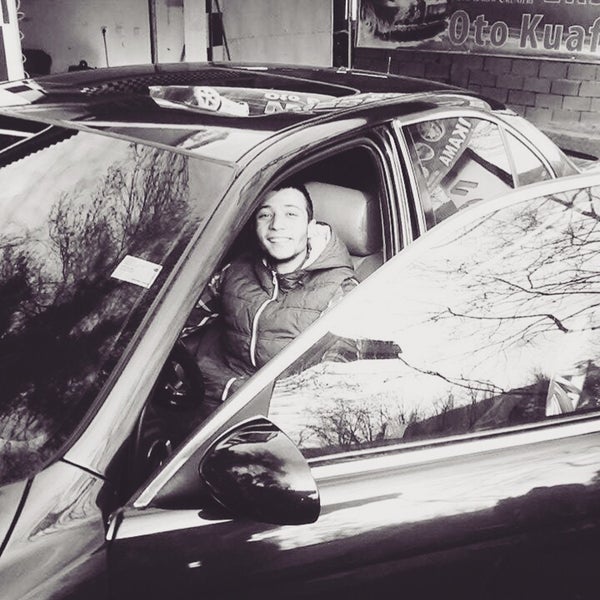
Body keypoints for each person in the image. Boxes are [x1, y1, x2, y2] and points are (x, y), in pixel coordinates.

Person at [185, 182, 357, 410]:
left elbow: (330, 387)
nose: (276, 225)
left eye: (291, 214)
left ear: (310, 227)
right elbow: (183, 322)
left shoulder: (341, 290)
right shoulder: (235, 270)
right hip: (204, 392)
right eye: (265, 215)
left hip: (272, 412)